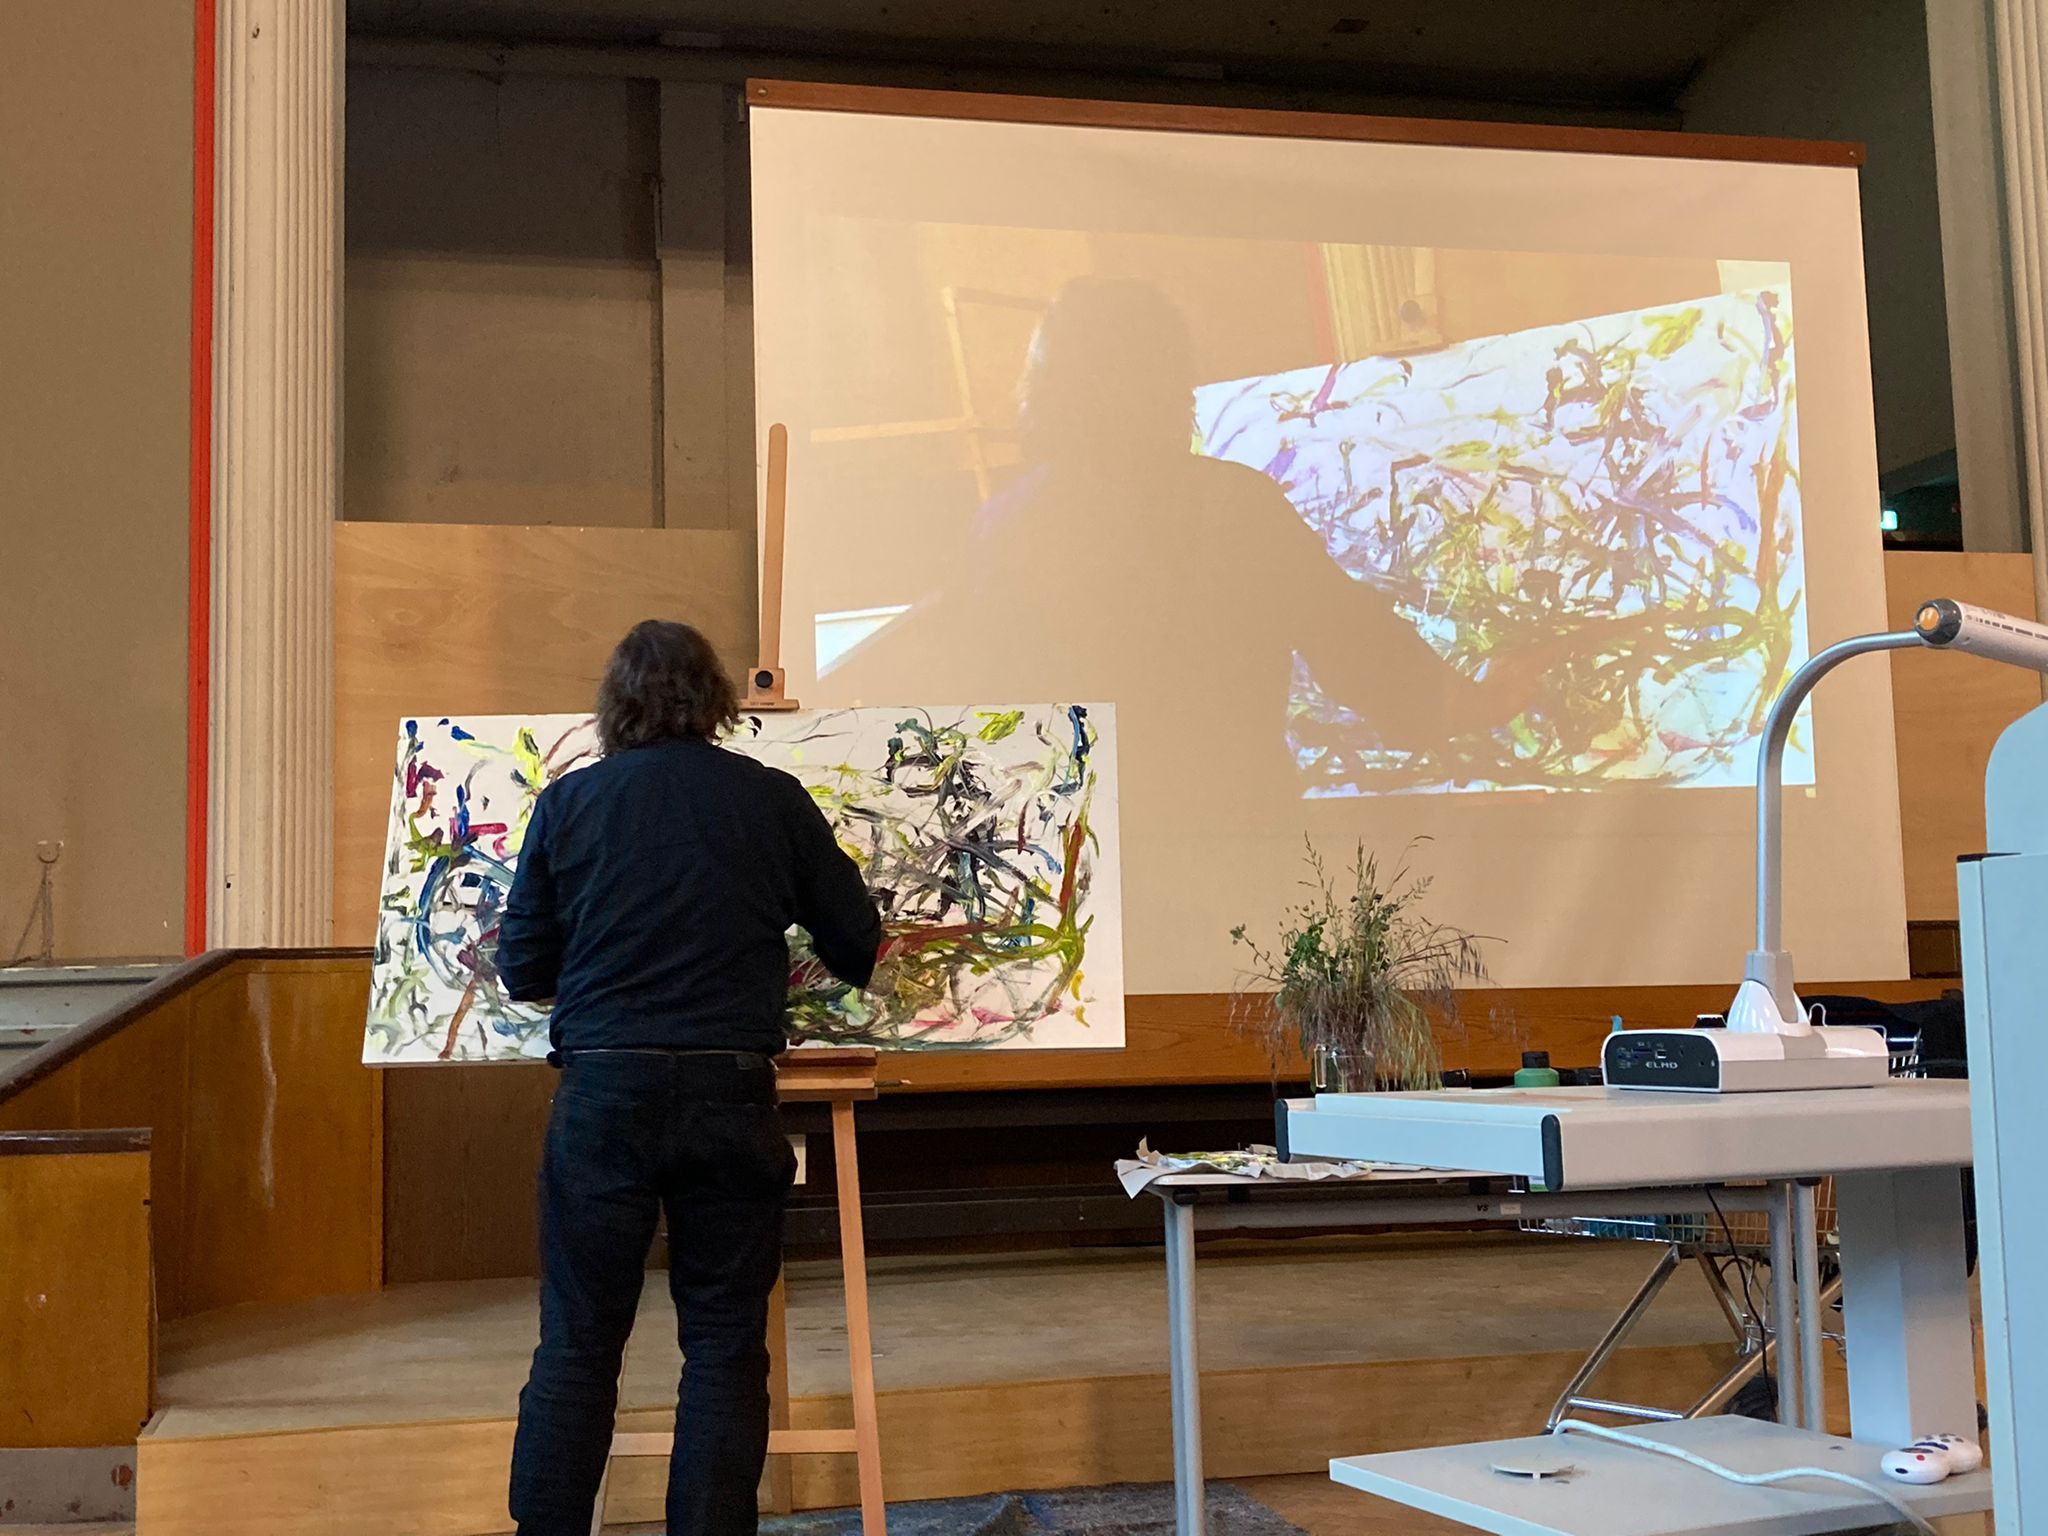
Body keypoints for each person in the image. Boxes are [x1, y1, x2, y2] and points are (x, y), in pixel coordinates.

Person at [827, 276, 1514, 804]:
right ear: (1169, 385)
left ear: (1045, 386)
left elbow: (976, 716)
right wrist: (1485, 701)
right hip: (1237, 844)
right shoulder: (1236, 507)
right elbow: (1363, 658)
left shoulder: (1001, 526)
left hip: (1080, 865)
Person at [497, 619, 883, 1536]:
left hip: (602, 1093)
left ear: (614, 707)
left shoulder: (569, 804)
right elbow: (857, 943)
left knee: (579, 1342)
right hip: (730, 1091)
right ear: (715, 701)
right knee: (723, 1342)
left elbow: (522, 969)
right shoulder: (770, 799)